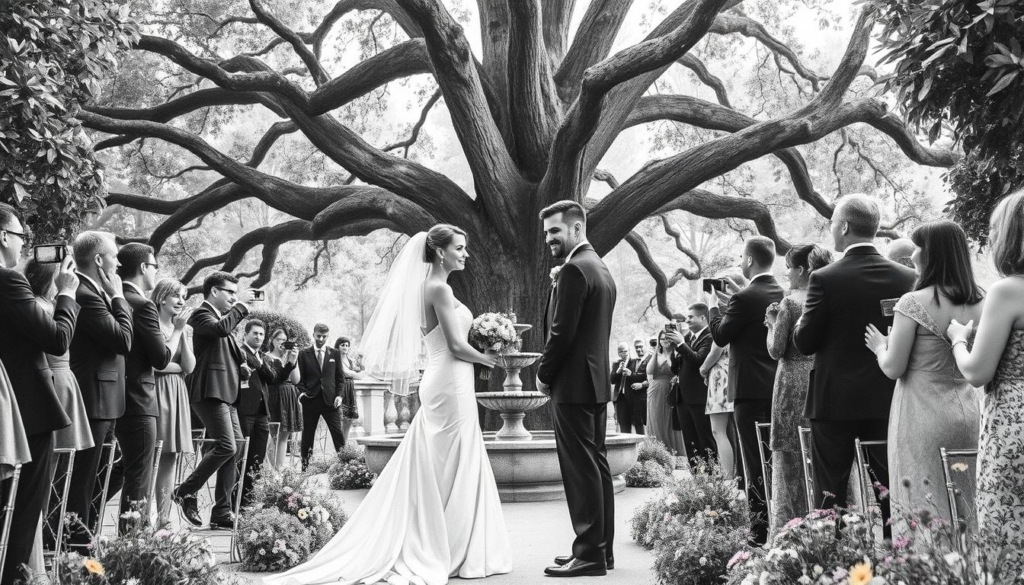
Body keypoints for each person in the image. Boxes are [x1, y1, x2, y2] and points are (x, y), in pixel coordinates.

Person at [266, 225, 511, 585]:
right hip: (450, 380)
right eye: (459, 248)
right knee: (453, 459)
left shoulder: (431, 288)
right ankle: (451, 544)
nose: (465, 254)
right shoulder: (439, 288)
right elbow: (457, 347)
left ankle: (449, 537)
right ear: (440, 252)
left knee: (447, 460)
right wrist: (492, 358)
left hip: (448, 378)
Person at [793, 194, 916, 536]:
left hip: (833, 402)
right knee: (892, 491)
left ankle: (829, 565)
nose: (832, 229)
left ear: (844, 227)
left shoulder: (824, 278)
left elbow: (805, 342)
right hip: (888, 399)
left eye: (833, 223)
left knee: (829, 492)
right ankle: (899, 562)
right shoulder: (906, 278)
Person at [863, 221, 983, 540]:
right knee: (966, 505)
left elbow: (893, 367)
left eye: (917, 247)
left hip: (922, 416)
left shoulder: (913, 302)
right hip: (969, 415)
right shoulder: (982, 301)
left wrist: (880, 347)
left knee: (924, 504)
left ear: (930, 254)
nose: (913, 254)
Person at [0, 203, 80, 585]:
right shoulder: (9, 282)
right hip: (25, 408)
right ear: (3, 237)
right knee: (23, 507)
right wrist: (65, 294)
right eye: (20, 236)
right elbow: (58, 339)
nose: (23, 245)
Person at [535, 200, 616, 578]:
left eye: (555, 231)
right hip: (596, 384)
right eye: (547, 231)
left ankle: (589, 554)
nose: (548, 238)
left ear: (577, 228)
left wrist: (542, 374)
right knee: (596, 468)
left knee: (581, 472)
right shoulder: (600, 268)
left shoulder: (573, 271)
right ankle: (600, 551)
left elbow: (561, 334)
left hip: (572, 384)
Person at [947, 189, 1024, 582]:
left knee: (1006, 537)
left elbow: (977, 372)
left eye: (995, 230)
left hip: (1013, 430)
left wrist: (960, 338)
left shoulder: (1009, 290)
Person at [708, 236, 784, 545]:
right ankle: (782, 519)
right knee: (777, 458)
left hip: (749, 390)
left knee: (754, 460)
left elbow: (722, 334)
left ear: (750, 260)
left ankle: (758, 530)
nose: (740, 263)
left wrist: (715, 307)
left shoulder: (742, 299)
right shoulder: (782, 292)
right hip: (778, 387)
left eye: (742, 257)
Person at [23, 260, 93, 562]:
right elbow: (58, 340)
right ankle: (45, 544)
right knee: (47, 473)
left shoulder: (47, 304)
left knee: (58, 471)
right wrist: (67, 295)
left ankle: (51, 537)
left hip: (62, 381)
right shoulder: (40, 306)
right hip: (51, 383)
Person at [67, 231, 134, 547]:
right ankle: (76, 543)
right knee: (84, 477)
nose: (118, 262)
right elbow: (123, 341)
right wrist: (118, 297)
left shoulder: (95, 291)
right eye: (114, 256)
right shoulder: (85, 294)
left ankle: (84, 532)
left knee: (108, 472)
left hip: (107, 400)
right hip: (93, 399)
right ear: (98, 259)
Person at [173, 271, 253, 529]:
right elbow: (220, 330)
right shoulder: (200, 314)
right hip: (208, 391)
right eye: (230, 292)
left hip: (226, 393)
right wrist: (242, 307)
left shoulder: (220, 318)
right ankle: (185, 490)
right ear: (214, 291)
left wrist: (240, 367)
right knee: (227, 446)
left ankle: (221, 512)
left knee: (237, 446)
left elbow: (221, 347)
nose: (234, 297)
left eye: (236, 294)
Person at [764, 244, 832, 537]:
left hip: (791, 384)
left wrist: (770, 325)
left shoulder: (789, 304)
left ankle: (792, 527)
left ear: (802, 270)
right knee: (819, 452)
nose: (787, 273)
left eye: (789, 267)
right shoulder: (827, 298)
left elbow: (776, 349)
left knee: (790, 454)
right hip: (820, 381)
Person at [103, 243, 172, 533]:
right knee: (139, 476)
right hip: (140, 399)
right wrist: (175, 335)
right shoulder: (143, 306)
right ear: (144, 267)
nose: (156, 270)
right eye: (154, 265)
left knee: (121, 469)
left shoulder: (110, 300)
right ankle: (132, 542)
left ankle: (81, 517)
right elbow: (161, 358)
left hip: (111, 397)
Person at [150, 279, 194, 528]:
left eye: (184, 297)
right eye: (176, 295)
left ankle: (164, 519)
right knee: (154, 454)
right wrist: (176, 368)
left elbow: (189, 366)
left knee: (170, 456)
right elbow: (157, 364)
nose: (181, 301)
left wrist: (183, 332)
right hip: (157, 391)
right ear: (161, 297)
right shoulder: (152, 323)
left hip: (177, 392)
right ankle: (143, 515)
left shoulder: (182, 328)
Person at [238, 319, 296, 506]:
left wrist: (290, 363)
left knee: (256, 458)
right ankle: (236, 501)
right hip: (243, 410)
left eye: (261, 334)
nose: (258, 337)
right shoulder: (239, 352)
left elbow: (274, 379)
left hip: (262, 413)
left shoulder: (261, 357)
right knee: (242, 457)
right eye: (255, 333)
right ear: (245, 334)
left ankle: (249, 498)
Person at [666, 303, 716, 468]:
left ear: (703, 317)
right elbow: (675, 369)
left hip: (699, 395)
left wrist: (681, 345)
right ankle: (696, 474)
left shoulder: (709, 337)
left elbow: (699, 361)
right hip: (682, 397)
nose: (686, 320)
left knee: (705, 437)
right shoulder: (687, 338)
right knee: (689, 439)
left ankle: (711, 474)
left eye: (690, 317)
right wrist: (673, 350)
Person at [295, 324, 349, 469]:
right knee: (307, 435)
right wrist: (302, 394)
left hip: (330, 401)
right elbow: (300, 379)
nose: (321, 339)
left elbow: (340, 378)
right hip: (310, 400)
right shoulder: (303, 354)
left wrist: (339, 396)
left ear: (328, 336)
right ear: (313, 334)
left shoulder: (335, 353)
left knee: (337, 433)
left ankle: (346, 466)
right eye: (318, 335)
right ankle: (305, 467)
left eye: (324, 336)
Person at [645, 331, 686, 458]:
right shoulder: (656, 354)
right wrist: (655, 353)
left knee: (672, 420)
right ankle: (658, 454)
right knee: (657, 419)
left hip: (673, 389)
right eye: (661, 339)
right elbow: (649, 371)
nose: (664, 341)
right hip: (656, 390)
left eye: (667, 338)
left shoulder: (677, 353)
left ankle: (674, 453)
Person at [266, 328, 302, 469]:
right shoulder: (267, 357)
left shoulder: (290, 357)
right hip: (274, 395)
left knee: (284, 435)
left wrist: (294, 359)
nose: (281, 342)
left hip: (289, 395)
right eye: (278, 339)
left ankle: (279, 469)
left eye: (284, 340)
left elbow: (296, 380)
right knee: (272, 435)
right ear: (272, 341)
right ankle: (272, 468)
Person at [610, 342, 644, 434]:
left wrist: (630, 374)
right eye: (621, 352)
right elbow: (612, 380)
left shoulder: (635, 362)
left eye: (625, 351)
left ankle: (642, 447)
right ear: (618, 353)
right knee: (624, 425)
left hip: (634, 397)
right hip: (620, 398)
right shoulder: (616, 364)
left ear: (629, 351)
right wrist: (618, 371)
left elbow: (641, 377)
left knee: (638, 424)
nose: (623, 354)